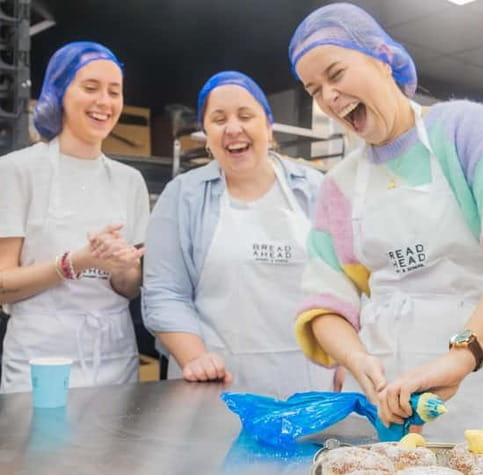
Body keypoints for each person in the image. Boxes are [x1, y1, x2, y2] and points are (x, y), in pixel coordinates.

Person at [289, 3, 483, 445]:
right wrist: (358, 359)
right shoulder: (339, 186)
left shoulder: (462, 129)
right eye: (314, 89)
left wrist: (463, 355)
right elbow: (325, 301)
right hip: (385, 391)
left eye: (336, 73)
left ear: (383, 58)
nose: (328, 96)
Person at [142, 71, 333, 397]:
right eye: (218, 119)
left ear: (268, 126)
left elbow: (342, 285)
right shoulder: (183, 196)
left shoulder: (315, 189)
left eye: (246, 116)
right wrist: (196, 359)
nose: (233, 128)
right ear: (206, 133)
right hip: (215, 388)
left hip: (309, 386)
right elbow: (164, 294)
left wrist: (345, 359)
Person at [0, 41, 149, 391]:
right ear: (59, 92)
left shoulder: (130, 181)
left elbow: (128, 290)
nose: (104, 102)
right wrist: (73, 263)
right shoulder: (16, 171)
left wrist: (124, 269)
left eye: (115, 92)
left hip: (113, 357)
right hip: (39, 360)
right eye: (91, 87)